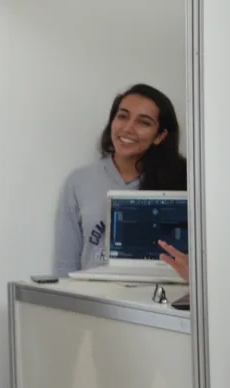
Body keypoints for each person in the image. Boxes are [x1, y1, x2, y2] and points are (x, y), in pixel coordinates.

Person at [53, 84, 187, 275]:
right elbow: (64, 266)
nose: (128, 128)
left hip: (157, 301)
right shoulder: (79, 182)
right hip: (94, 300)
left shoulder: (185, 181)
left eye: (143, 122)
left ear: (160, 136)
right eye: (122, 116)